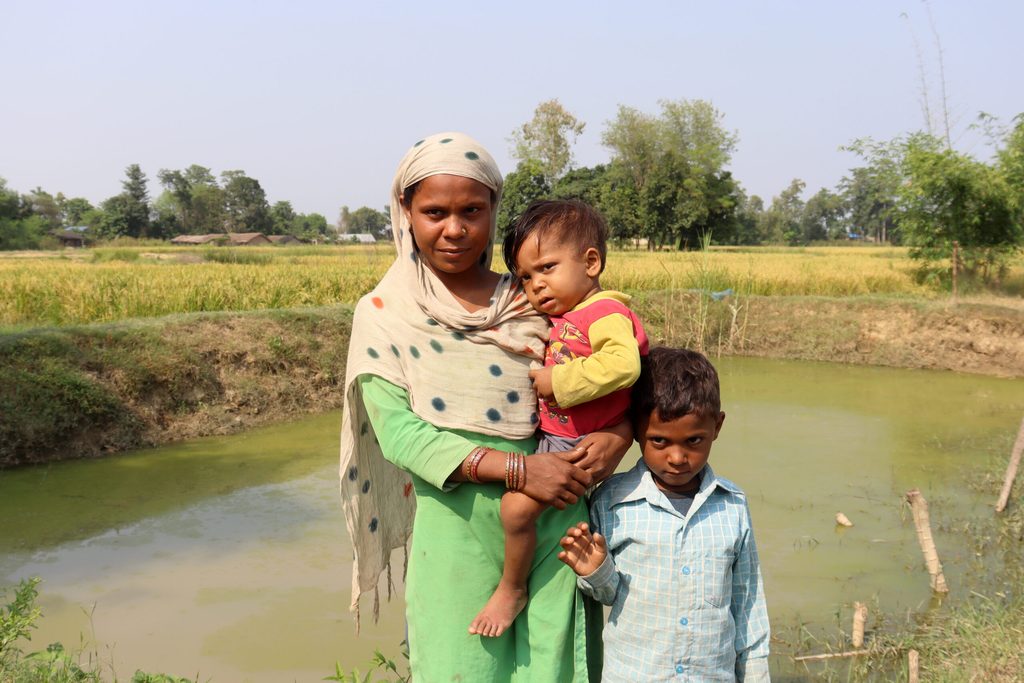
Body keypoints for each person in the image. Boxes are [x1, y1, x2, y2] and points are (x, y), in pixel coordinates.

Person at [338, 132, 632, 682]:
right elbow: (401, 436)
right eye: (434, 212)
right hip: (457, 529)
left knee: (556, 669)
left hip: (558, 521)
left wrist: (620, 433)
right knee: (459, 668)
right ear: (405, 211)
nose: (454, 229)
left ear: (495, 208)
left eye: (472, 210)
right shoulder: (384, 313)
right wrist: (521, 469)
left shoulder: (535, 296)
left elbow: (617, 368)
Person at [469, 200, 648, 638]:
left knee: (514, 511)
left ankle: (512, 588)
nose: (536, 285)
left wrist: (559, 381)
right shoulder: (567, 314)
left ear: (591, 262)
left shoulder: (605, 312)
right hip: (559, 439)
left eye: (547, 268)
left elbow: (624, 365)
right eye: (526, 277)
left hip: (577, 445)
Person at [558, 347, 771, 681]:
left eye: (694, 441)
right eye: (659, 440)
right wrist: (596, 570)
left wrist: (756, 674)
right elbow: (609, 596)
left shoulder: (732, 505)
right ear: (636, 430)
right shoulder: (612, 500)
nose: (677, 457)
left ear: (717, 426)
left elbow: (748, 605)